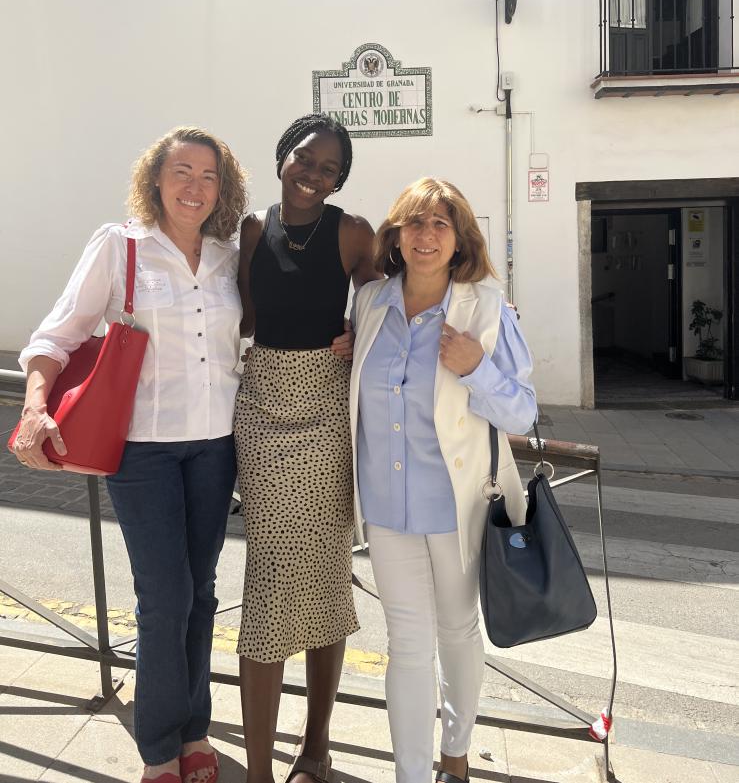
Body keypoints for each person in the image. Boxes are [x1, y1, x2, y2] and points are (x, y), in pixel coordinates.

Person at [12, 126, 247, 783]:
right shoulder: (121, 247)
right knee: (163, 596)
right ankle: (158, 751)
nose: (194, 186)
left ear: (222, 189)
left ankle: (195, 730)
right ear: (155, 179)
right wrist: (35, 405)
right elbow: (57, 333)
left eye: (208, 175)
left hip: (214, 445)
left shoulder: (230, 256)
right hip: (142, 450)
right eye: (181, 171)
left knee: (200, 592)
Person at [349, 177, 537, 783]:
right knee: (406, 643)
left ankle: (454, 752)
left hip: (456, 504)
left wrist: (477, 368)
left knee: (457, 627)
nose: (425, 236)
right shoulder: (371, 302)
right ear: (395, 235)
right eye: (413, 223)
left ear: (459, 239)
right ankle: (411, 775)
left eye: (439, 224)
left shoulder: (485, 308)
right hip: (384, 504)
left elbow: (523, 413)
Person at [234, 113, 377, 783]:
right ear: (282, 156)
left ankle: (315, 747)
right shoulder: (253, 228)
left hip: (325, 407)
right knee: (267, 581)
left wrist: (356, 329)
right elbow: (245, 314)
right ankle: (258, 770)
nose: (314, 174)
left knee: (321, 578)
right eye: (305, 158)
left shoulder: (353, 232)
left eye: (329, 168)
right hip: (262, 403)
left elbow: (384, 310)